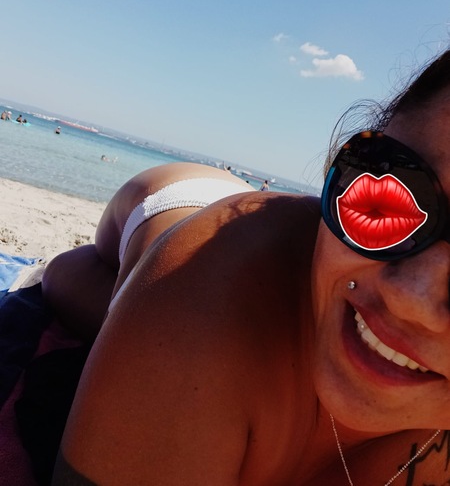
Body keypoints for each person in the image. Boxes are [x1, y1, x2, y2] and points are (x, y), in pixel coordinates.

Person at [46, 49, 450, 485]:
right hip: (189, 209)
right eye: (390, 194)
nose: (410, 298)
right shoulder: (208, 292)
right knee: (60, 280)